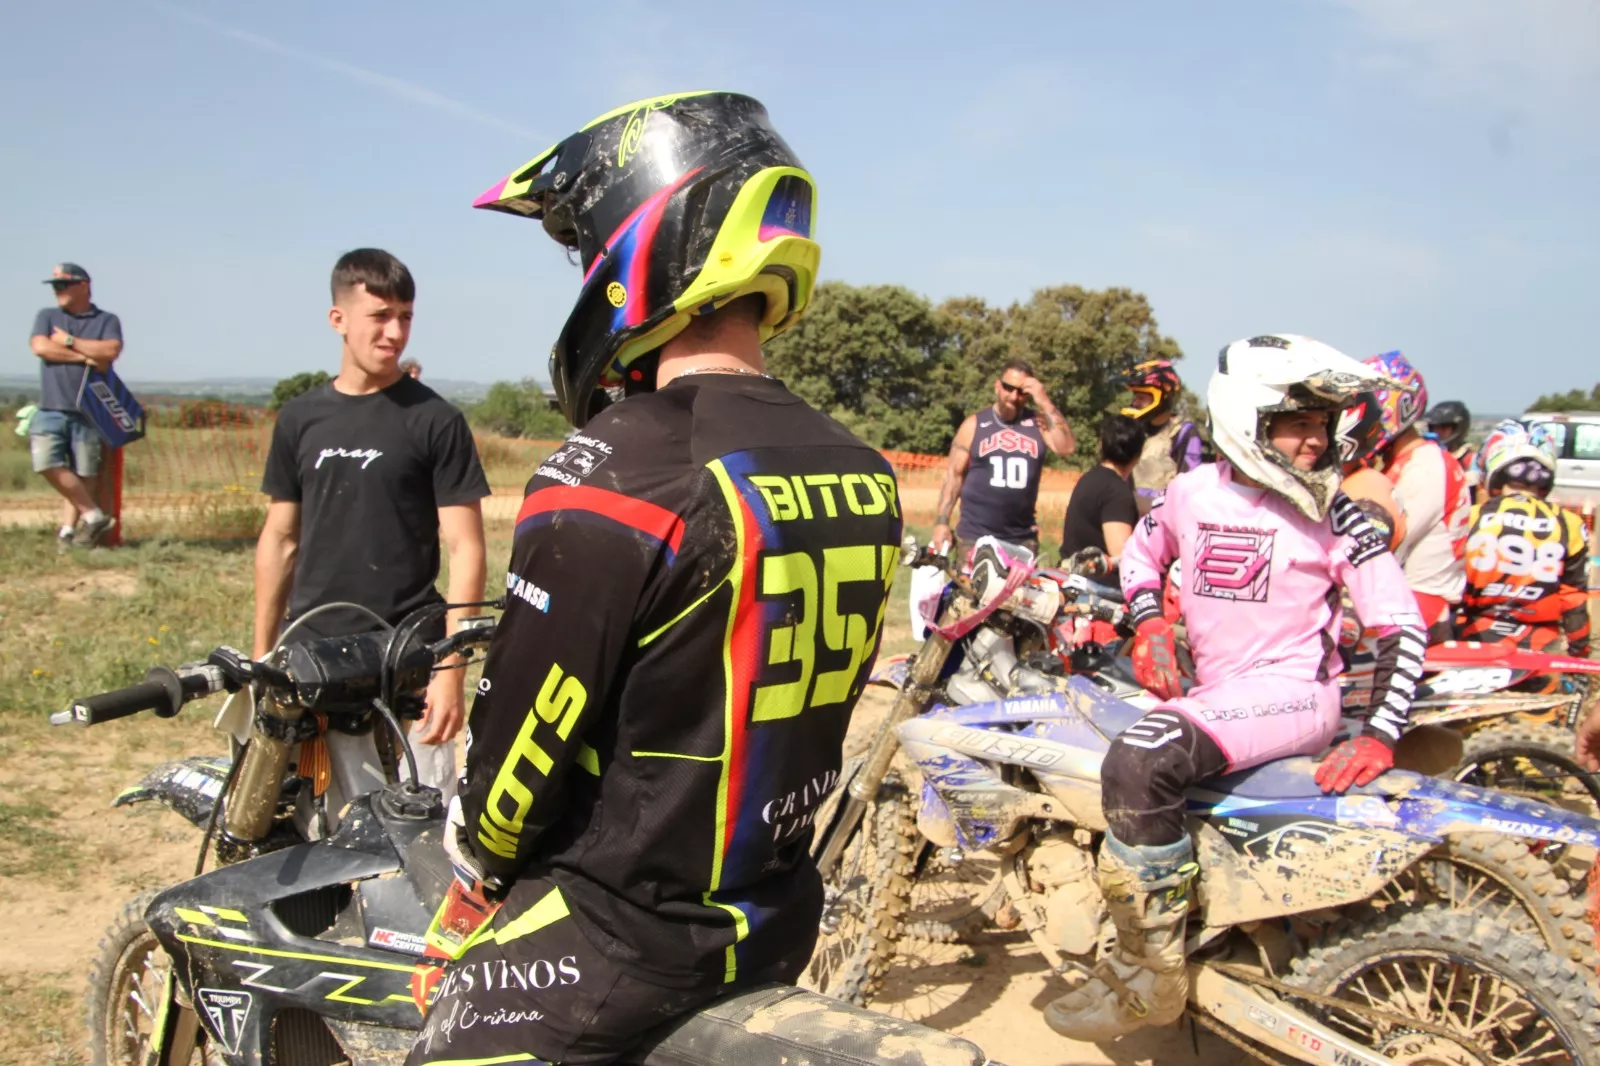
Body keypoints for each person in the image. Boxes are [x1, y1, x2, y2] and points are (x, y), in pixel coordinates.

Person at [411, 93, 903, 1066]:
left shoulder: (619, 469)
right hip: (773, 908)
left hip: (620, 930)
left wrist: (471, 875)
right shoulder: (863, 469)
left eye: (581, 246)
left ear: (641, 235)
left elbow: (524, 747)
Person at [1045, 334, 1425, 1041]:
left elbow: (1400, 622)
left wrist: (1380, 731)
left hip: (1292, 694)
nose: (1317, 440)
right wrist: (1149, 620)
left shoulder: (1336, 511)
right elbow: (1141, 556)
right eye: (1299, 422)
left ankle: (1145, 974)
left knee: (1138, 759)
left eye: (1323, 423)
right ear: (1248, 418)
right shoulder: (1192, 492)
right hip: (1220, 691)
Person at [254, 249, 488, 795]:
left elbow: (466, 548)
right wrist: (262, 655)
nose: (395, 332)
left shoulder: (436, 421)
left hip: (406, 656)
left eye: (405, 316)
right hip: (310, 653)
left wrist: (450, 671)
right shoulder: (299, 419)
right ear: (338, 319)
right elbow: (281, 538)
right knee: (314, 823)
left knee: (419, 838)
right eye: (379, 316)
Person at [1458, 430, 1588, 683]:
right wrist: (1578, 660)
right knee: (1542, 719)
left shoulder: (1471, 516)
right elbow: (1574, 601)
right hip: (1540, 647)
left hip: (1472, 639)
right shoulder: (1569, 523)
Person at [1360, 352, 1470, 643]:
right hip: (1404, 605)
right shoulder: (1406, 462)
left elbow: (1388, 541)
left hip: (1419, 608)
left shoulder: (1426, 466)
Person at [931, 359, 1074, 556]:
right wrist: (941, 522)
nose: (1014, 396)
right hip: (975, 536)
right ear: (997, 386)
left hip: (1021, 538)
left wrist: (1044, 400)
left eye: (1022, 392)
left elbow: (1066, 447)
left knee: (1021, 589)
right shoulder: (973, 425)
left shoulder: (1038, 424)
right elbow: (953, 477)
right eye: (1008, 388)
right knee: (970, 588)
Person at [27, 262, 122, 549]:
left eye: (62, 285)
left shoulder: (107, 320)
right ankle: (93, 515)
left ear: (83, 286)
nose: (57, 291)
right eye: (55, 286)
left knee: (85, 473)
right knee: (45, 463)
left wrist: (68, 341)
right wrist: (84, 356)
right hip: (51, 406)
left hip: (90, 410)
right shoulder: (47, 315)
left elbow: (110, 351)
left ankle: (69, 532)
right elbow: (41, 347)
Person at [1059, 413, 1142, 569]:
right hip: (1097, 587)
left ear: (1101, 445)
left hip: (1071, 576)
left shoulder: (1090, 478)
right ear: (1137, 455)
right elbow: (1121, 554)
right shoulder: (1116, 492)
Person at [1120, 359, 1204, 505]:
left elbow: (1191, 487)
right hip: (1132, 517)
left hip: (1165, 519)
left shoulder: (1183, 432)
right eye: (1135, 397)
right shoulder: (1134, 430)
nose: (1135, 403)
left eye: (1141, 398)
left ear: (1162, 396)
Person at [1426, 400, 1473, 468]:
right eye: (1433, 427)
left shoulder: (1469, 460)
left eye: (1444, 427)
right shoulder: (1429, 455)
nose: (1437, 431)